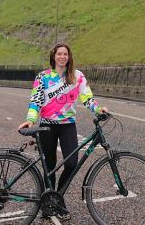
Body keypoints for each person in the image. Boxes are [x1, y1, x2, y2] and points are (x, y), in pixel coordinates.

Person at [18, 43, 108, 220]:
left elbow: (87, 97)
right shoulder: (42, 77)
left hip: (68, 124)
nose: (62, 57)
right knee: (49, 166)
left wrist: (98, 109)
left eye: (65, 54)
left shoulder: (76, 76)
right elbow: (35, 101)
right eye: (59, 54)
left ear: (69, 57)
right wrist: (30, 120)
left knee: (71, 164)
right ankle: (49, 203)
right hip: (47, 125)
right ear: (54, 56)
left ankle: (57, 196)